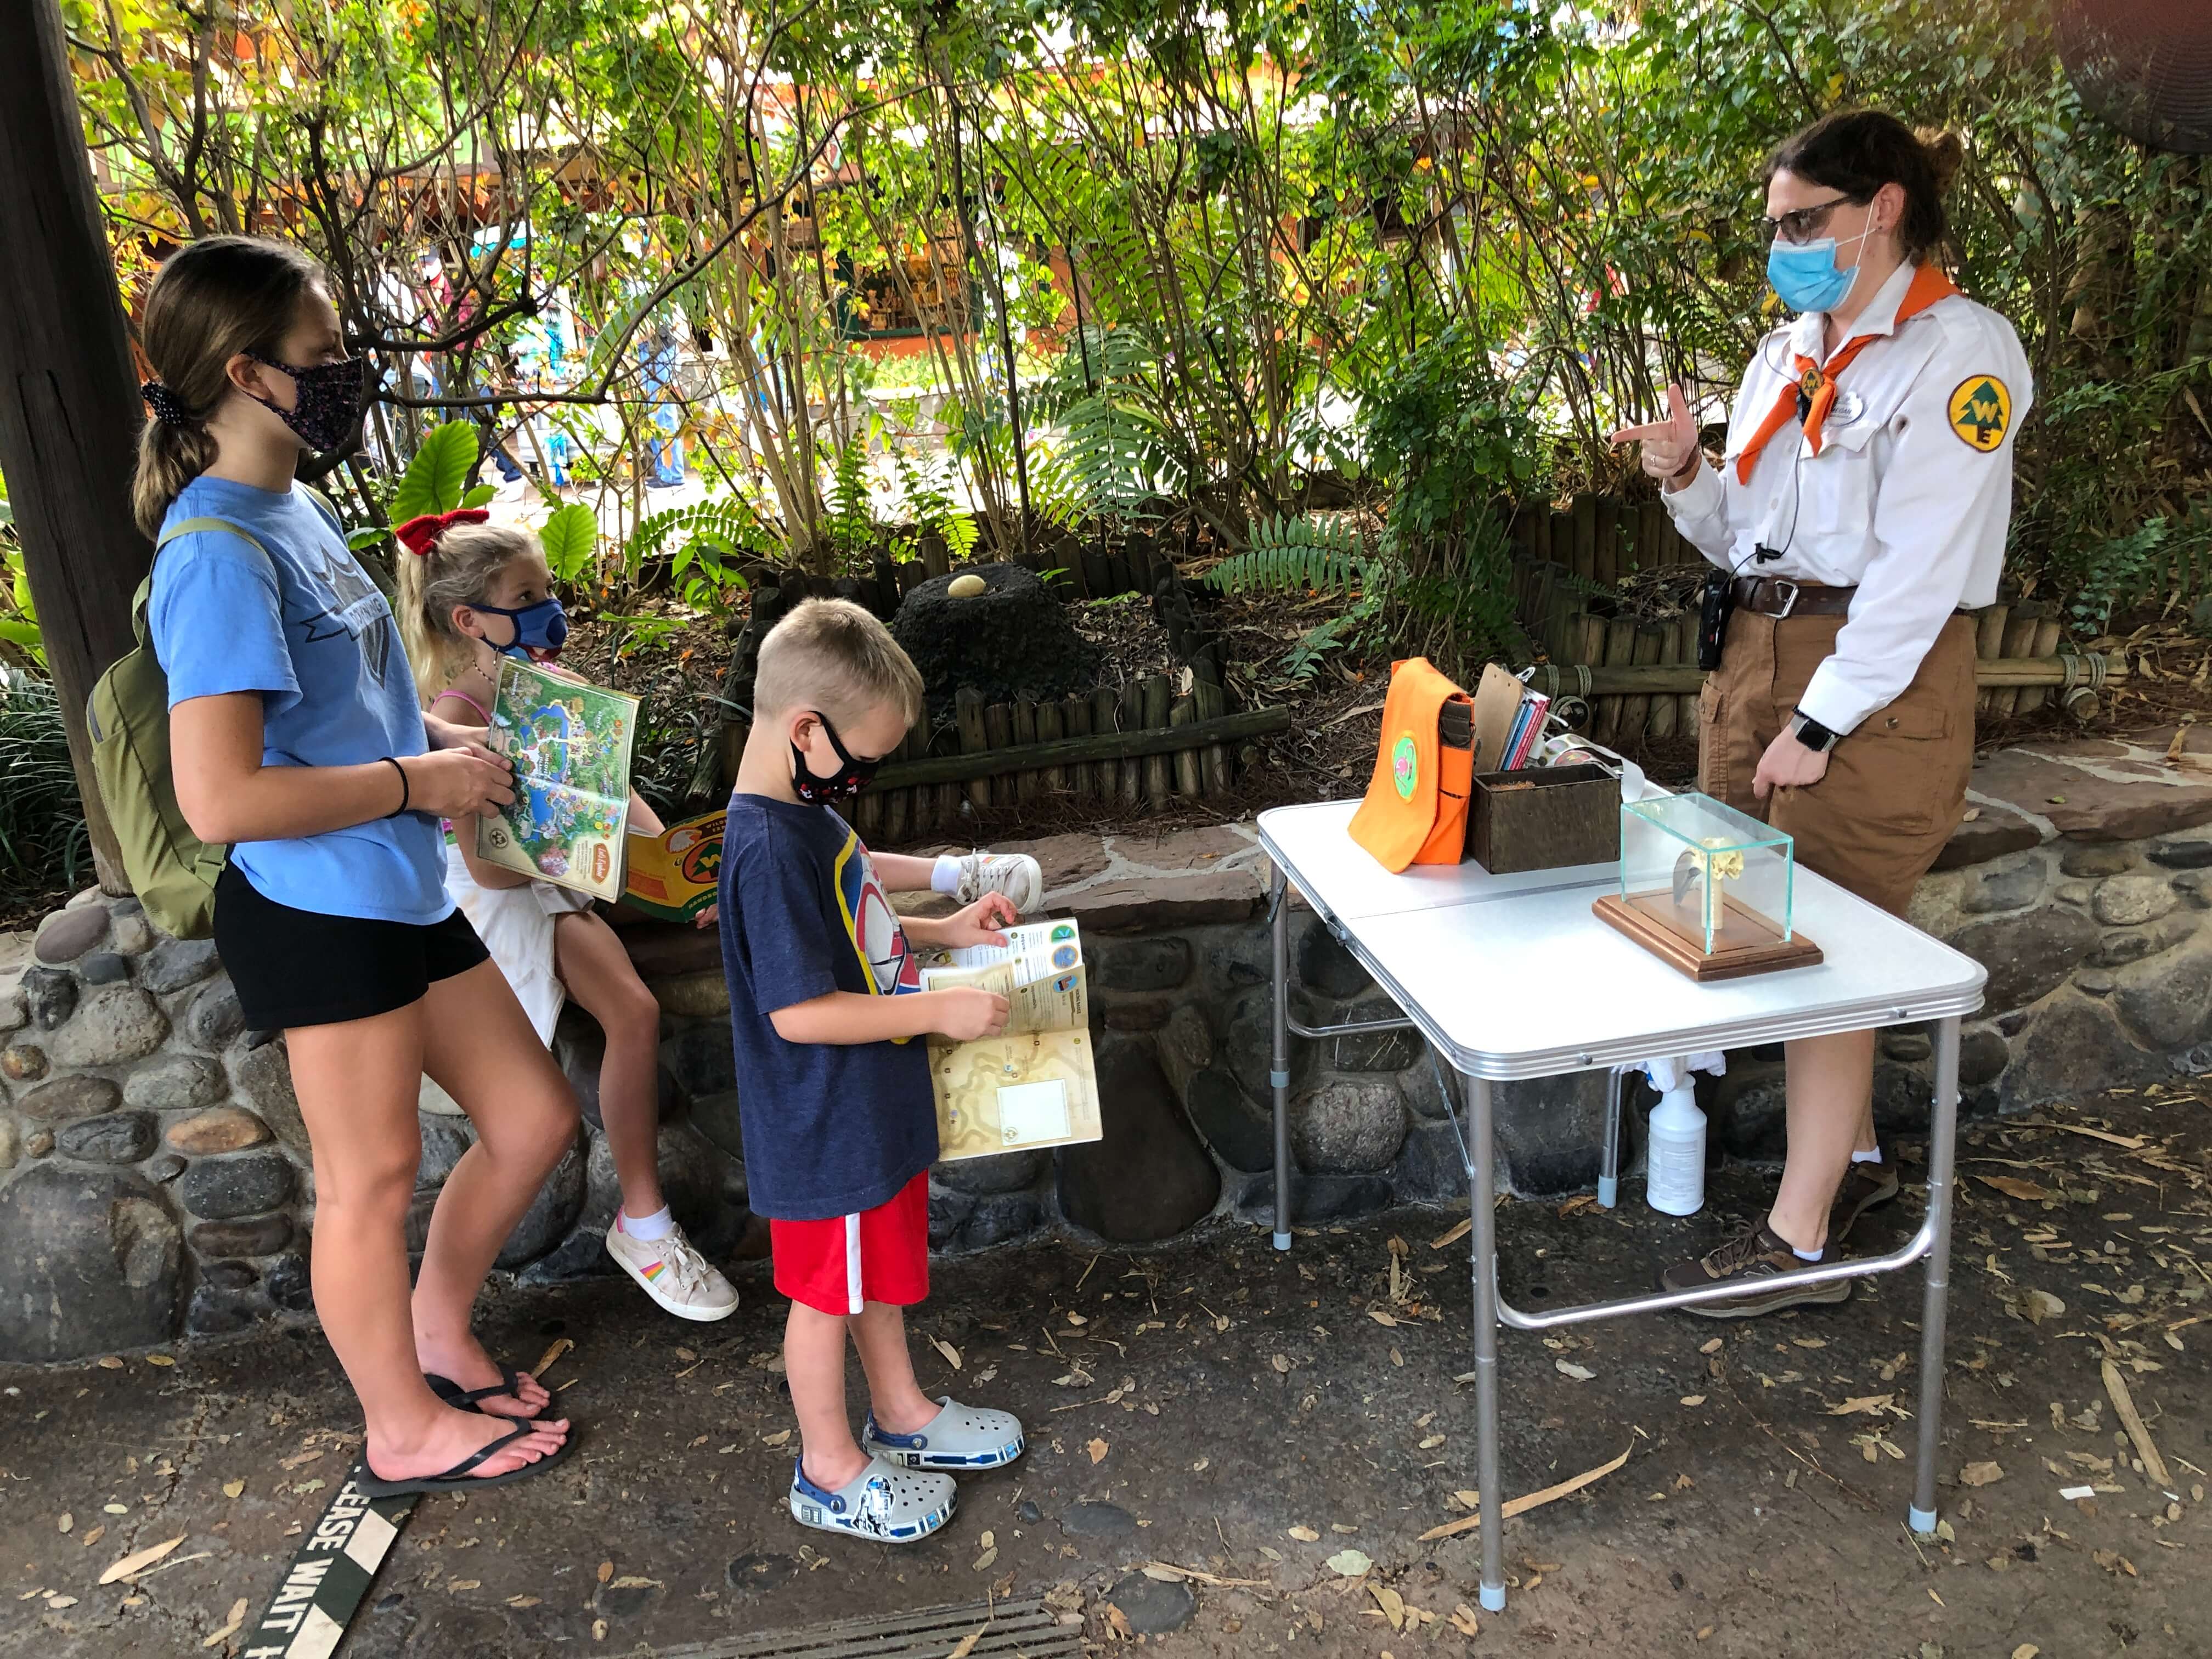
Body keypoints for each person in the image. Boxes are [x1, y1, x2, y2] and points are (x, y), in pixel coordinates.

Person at [134, 235, 576, 1492]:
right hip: (313, 907)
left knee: (535, 1117)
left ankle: (438, 1332)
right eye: (324, 356)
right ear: (243, 372)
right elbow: (222, 796)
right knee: (370, 1179)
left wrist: (437, 739)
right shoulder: (216, 552)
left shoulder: (299, 509)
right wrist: (417, 783)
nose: (348, 373)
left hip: (395, 881)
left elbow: (333, 715)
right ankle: (403, 1423)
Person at [1610, 111, 2030, 1317]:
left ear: (1884, 207)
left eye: (1805, 223)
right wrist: (1688, 470)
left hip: (1870, 677)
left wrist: (1826, 721)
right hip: (1757, 647)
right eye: (1775, 227)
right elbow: (1744, 537)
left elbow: (1919, 572)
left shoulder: (1959, 355)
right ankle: (1845, 1169)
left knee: (1831, 947)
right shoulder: (1788, 351)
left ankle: (1800, 1244)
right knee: (1767, 920)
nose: (1784, 246)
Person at [720, 599, 1028, 1543]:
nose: (862, 780)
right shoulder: (768, 843)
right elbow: (799, 1012)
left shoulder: (807, 813)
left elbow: (859, 914)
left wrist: (940, 929)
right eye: (861, 760)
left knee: (876, 1280)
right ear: (805, 731)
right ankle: (828, 1469)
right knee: (824, 1301)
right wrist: (937, 1008)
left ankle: (901, 1412)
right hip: (824, 1124)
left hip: (865, 1110)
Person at [393, 509, 744, 1322]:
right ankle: (440, 1309)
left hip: (552, 890)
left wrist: (676, 874)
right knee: (522, 1106)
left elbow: (621, 799)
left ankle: (644, 1221)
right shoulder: (460, 716)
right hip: (494, 905)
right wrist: (603, 855)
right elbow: (493, 869)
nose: (552, 609)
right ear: (469, 620)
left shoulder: (553, 694)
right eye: (528, 594)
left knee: (634, 1009)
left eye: (548, 590)